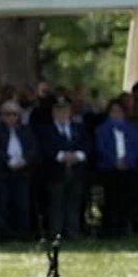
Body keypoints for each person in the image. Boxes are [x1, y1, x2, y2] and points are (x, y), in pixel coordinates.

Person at [0, 101, 37, 240]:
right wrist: (8, 161)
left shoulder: (26, 130)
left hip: (23, 171)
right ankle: (4, 234)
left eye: (14, 114)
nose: (11, 117)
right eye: (7, 114)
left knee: (23, 203)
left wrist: (24, 160)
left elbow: (32, 149)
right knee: (3, 202)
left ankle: (22, 233)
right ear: (2, 116)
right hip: (3, 171)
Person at [95, 99, 138, 238]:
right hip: (108, 168)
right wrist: (114, 161)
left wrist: (126, 161)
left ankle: (124, 225)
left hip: (128, 167)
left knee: (128, 196)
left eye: (119, 111)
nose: (116, 114)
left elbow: (136, 147)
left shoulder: (132, 129)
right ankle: (108, 228)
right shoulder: (101, 129)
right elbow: (101, 148)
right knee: (110, 198)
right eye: (113, 111)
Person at [44, 98, 90, 241]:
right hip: (56, 172)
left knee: (74, 204)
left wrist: (78, 155)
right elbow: (45, 148)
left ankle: (73, 233)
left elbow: (87, 144)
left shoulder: (79, 128)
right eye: (59, 110)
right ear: (53, 112)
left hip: (76, 171)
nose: (62, 113)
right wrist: (62, 156)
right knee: (56, 204)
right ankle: (56, 234)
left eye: (65, 110)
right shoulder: (47, 130)